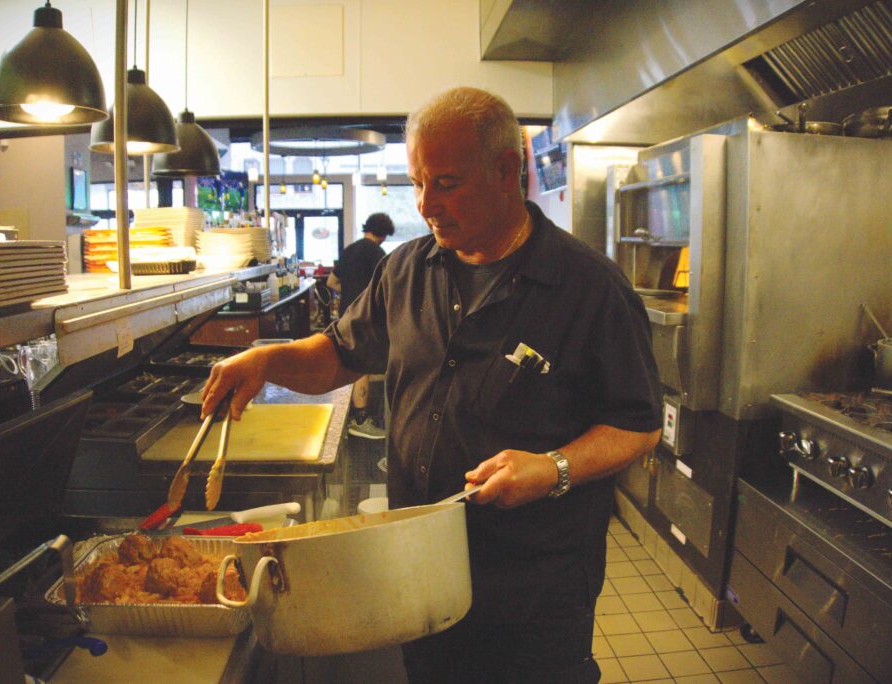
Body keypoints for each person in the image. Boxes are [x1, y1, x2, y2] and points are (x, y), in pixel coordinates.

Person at [201, 86, 661, 683]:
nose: (425, 204)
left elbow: (638, 424)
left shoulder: (588, 287)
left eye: (444, 183)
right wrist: (267, 362)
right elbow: (339, 356)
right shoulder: (407, 268)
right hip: (418, 570)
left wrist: (553, 467)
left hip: (532, 589)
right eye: (416, 184)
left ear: (505, 172)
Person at [326, 212, 396, 439]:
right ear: (384, 233)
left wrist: (349, 295)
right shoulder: (378, 254)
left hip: (345, 315)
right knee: (363, 365)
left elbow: (331, 282)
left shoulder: (350, 249)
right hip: (367, 316)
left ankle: (349, 417)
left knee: (350, 361)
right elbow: (389, 289)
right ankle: (360, 420)